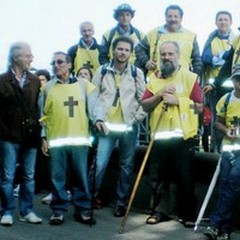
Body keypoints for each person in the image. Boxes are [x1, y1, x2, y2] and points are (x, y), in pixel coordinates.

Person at [141, 41, 203, 227]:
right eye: (163, 54)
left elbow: (200, 107)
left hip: (183, 136)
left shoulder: (190, 77)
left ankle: (188, 214)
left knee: (185, 177)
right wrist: (159, 94)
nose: (166, 57)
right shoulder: (154, 79)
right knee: (158, 178)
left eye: (170, 54)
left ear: (178, 55)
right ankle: (160, 212)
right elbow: (145, 105)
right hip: (160, 136)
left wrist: (179, 101)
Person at [89, 36, 146, 217]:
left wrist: (136, 119)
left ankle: (121, 201)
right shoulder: (103, 71)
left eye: (126, 50)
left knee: (126, 165)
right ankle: (91, 197)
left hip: (128, 126)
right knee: (100, 164)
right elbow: (94, 96)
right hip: (106, 125)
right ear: (114, 50)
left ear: (131, 53)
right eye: (120, 49)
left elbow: (143, 99)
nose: (123, 53)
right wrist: (97, 119)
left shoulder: (137, 73)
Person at [39, 51, 96, 225]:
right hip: (56, 141)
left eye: (60, 62)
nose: (56, 65)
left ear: (70, 65)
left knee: (80, 177)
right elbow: (42, 115)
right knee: (57, 178)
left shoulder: (84, 85)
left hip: (79, 140)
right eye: (53, 62)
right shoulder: (47, 88)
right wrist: (43, 138)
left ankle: (83, 209)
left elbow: (93, 109)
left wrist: (99, 121)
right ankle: (58, 210)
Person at [0, 42, 42, 226]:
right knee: (7, 176)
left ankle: (27, 210)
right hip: (9, 134)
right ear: (16, 57)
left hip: (30, 134)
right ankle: (7, 211)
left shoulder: (34, 80)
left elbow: (37, 108)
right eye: (27, 55)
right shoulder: (2, 80)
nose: (31, 59)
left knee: (28, 176)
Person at [204, 64, 240, 240]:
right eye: (238, 79)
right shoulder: (225, 99)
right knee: (225, 183)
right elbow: (218, 122)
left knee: (233, 180)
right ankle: (224, 228)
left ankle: (215, 222)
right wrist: (226, 131)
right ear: (233, 81)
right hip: (229, 148)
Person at [135, 4, 202, 77]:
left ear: (181, 18)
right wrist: (146, 61)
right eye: (170, 16)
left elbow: (197, 60)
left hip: (182, 80)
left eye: (176, 16)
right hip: (157, 79)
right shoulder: (153, 33)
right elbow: (139, 48)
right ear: (165, 18)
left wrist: (196, 76)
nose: (173, 19)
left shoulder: (191, 36)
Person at [202, 11, 235, 152]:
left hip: (235, 88)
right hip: (217, 89)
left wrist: (221, 57)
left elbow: (229, 57)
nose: (223, 22)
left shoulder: (236, 39)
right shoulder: (211, 40)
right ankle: (218, 152)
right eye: (220, 20)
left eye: (225, 20)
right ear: (216, 22)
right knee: (217, 122)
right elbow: (207, 58)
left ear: (231, 22)